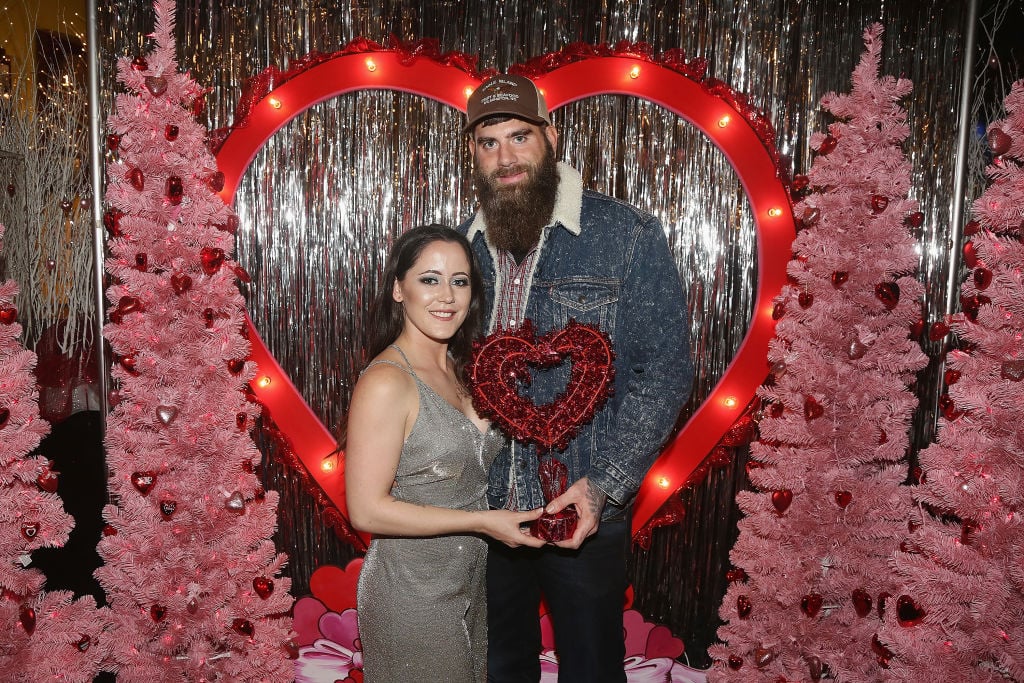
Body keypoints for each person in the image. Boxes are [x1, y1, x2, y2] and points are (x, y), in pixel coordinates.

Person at [458, 75, 694, 682]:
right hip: (483, 514)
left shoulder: (626, 235)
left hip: (581, 511)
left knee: (591, 669)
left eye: (519, 137)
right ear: (472, 153)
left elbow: (665, 371)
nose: (505, 158)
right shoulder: (460, 248)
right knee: (496, 669)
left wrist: (603, 486)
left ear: (551, 137)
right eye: (488, 142)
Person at [345, 224, 547, 683]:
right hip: (411, 597)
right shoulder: (386, 382)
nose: (447, 296)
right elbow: (366, 510)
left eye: (460, 281)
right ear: (399, 289)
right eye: (429, 279)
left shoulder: (462, 369)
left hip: (468, 586)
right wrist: (481, 522)